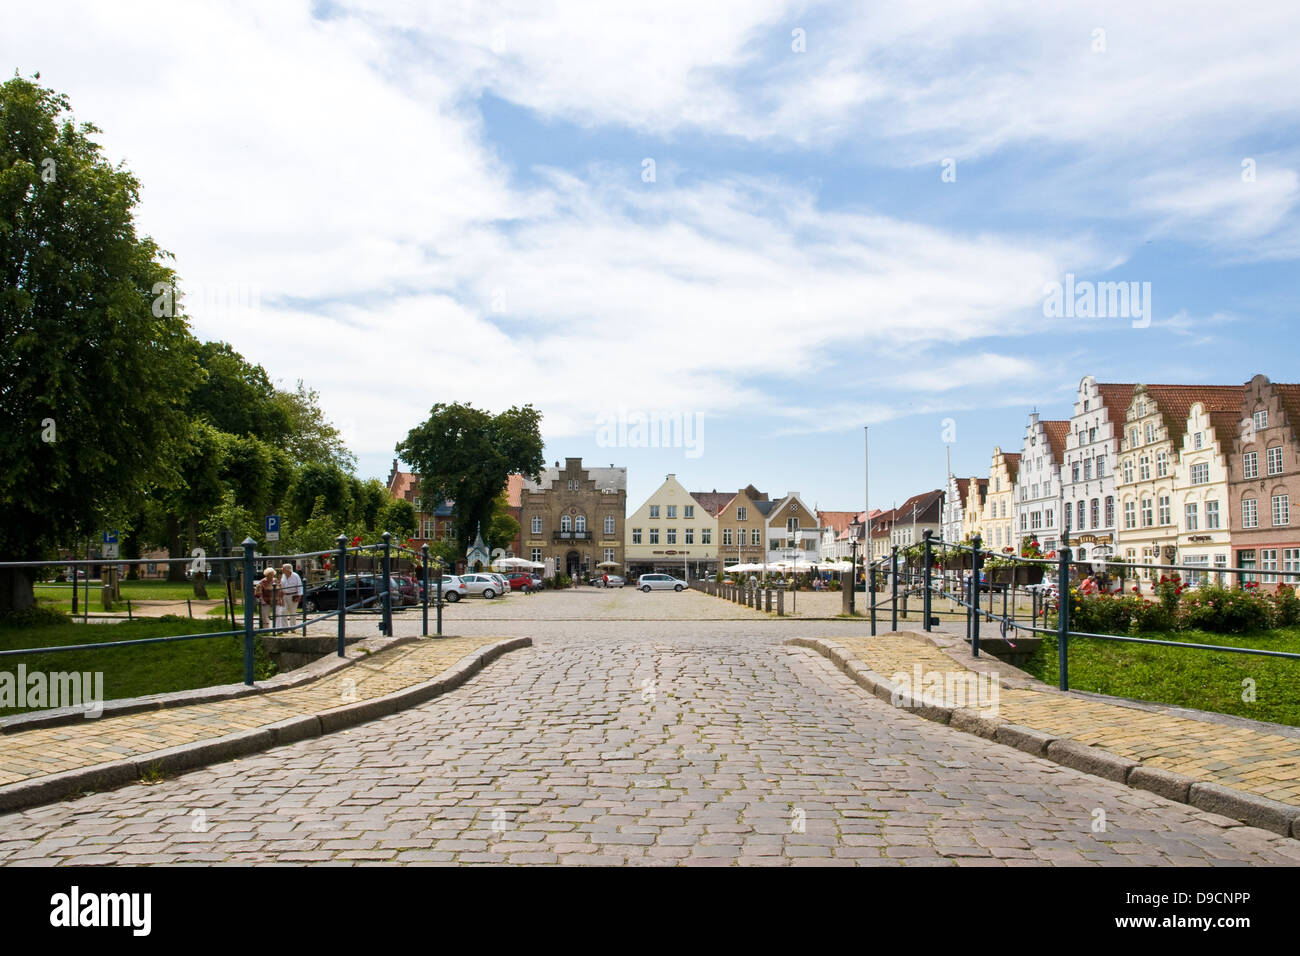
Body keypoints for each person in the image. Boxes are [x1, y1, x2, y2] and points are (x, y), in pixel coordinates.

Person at [278, 562, 303, 628]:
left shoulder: (295, 576)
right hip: (284, 595)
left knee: (293, 612)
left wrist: (299, 596)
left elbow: (299, 586)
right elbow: (281, 585)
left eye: (283, 569)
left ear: (287, 569)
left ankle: (293, 627)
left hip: (293, 595)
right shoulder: (283, 576)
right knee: (283, 611)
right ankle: (284, 627)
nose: (282, 570)